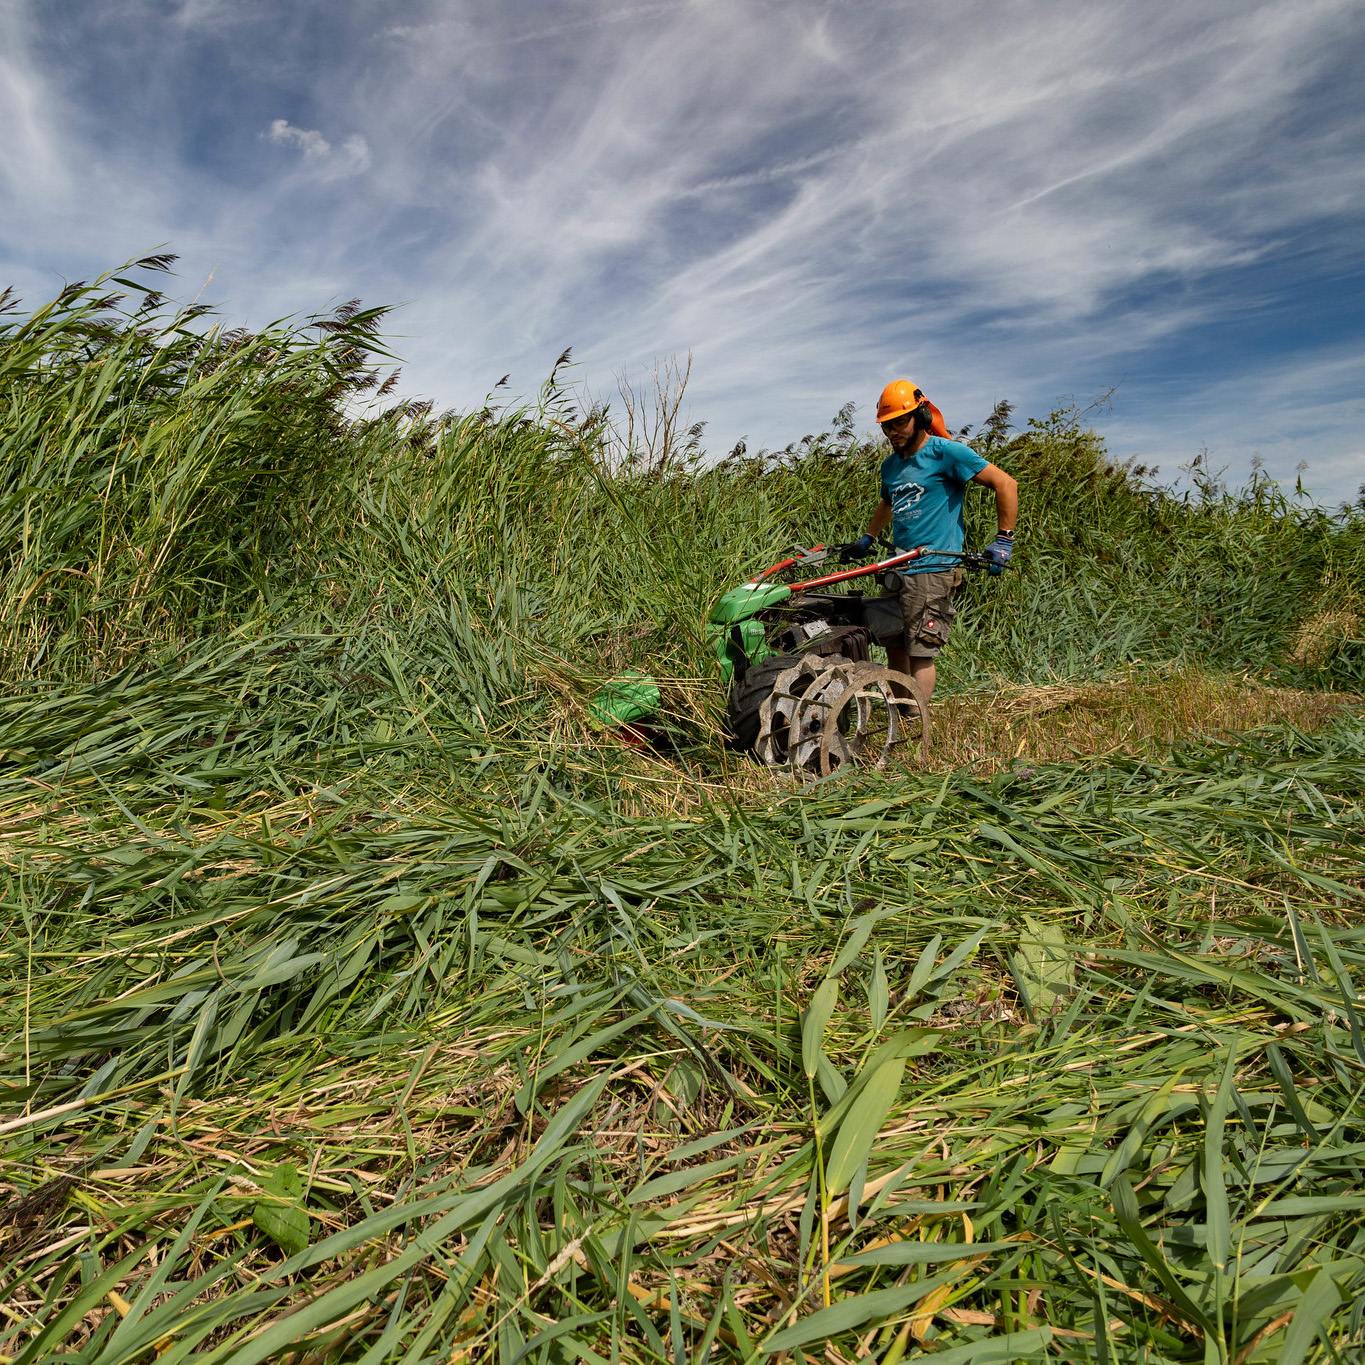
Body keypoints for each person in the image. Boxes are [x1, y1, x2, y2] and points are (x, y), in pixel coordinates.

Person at [841, 380, 1018, 701]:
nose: (892, 432)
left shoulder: (946, 453)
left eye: (899, 423)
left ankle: (914, 725)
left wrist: (1004, 539)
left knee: (920, 650)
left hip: (934, 567)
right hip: (898, 567)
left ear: (920, 417)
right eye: (886, 427)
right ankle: (901, 712)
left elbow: (1006, 483)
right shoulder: (891, 465)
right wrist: (867, 538)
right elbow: (888, 502)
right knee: (894, 646)